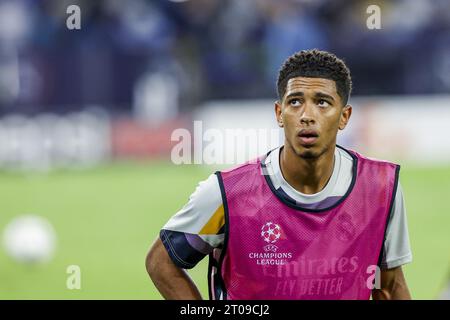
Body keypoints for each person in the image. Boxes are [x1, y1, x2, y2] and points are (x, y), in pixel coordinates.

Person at [146, 49, 412, 300]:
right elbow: (161, 261)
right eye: (295, 102)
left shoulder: (380, 188)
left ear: (344, 117)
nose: (307, 115)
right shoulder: (228, 193)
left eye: (322, 102)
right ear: (279, 113)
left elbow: (389, 286)